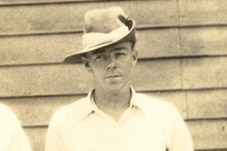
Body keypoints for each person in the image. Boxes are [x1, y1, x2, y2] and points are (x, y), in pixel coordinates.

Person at [45, 7, 194, 151]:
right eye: (100, 57)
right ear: (87, 64)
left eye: (119, 54)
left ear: (133, 57)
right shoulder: (64, 122)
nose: (111, 64)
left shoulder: (164, 115)